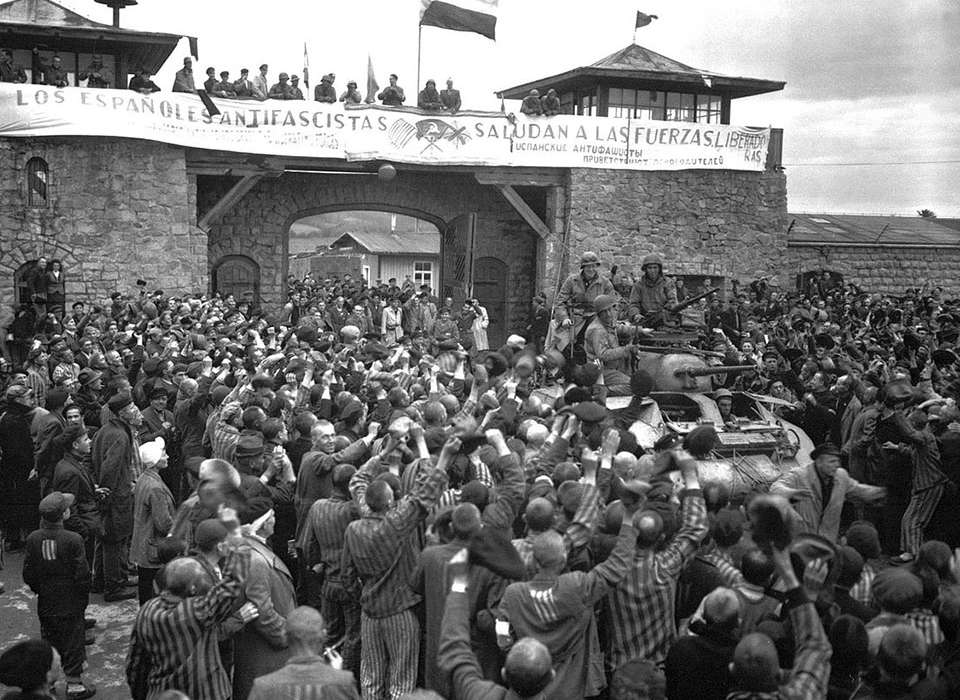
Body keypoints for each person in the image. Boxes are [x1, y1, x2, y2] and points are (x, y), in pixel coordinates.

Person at [340, 435, 451, 700]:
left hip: (369, 611)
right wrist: (444, 455)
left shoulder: (355, 527)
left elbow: (357, 481)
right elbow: (424, 495)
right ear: (391, 503)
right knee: (401, 682)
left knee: (370, 679)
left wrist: (383, 455)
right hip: (400, 611)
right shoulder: (397, 524)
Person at [126, 518, 252, 700]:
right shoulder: (195, 612)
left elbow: (135, 664)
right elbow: (232, 585)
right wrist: (240, 542)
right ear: (193, 590)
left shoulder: (147, 611)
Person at [606, 448, 708, 669]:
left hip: (618, 666)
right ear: (661, 537)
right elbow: (695, 528)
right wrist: (690, 478)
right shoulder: (665, 568)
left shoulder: (608, 568)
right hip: (658, 666)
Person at [439, 548, 556, 700]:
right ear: (552, 677)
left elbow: (456, 650)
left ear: (503, 674)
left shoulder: (480, 694)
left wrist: (459, 586)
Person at [726, 540, 832, 698]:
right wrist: (800, 588)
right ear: (779, 673)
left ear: (732, 669)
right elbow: (816, 647)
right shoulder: (800, 696)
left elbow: (815, 647)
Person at [22, 492, 95, 700]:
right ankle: (74, 684)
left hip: (46, 600)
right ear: (64, 514)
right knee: (73, 640)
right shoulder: (73, 539)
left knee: (49, 638)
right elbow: (82, 574)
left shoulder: (33, 538)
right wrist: (82, 596)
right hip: (71, 600)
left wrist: (40, 589)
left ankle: (49, 681)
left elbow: (28, 573)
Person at [300, 464, 361, 678]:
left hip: (327, 582)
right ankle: (345, 678)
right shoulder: (353, 510)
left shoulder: (317, 507)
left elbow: (308, 545)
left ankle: (325, 675)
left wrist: (317, 566)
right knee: (354, 636)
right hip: (351, 584)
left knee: (329, 634)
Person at [232, 507, 297, 700]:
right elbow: (262, 611)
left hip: (261, 653)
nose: (275, 520)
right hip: (266, 654)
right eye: (272, 516)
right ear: (263, 524)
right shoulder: (256, 561)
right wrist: (286, 635)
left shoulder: (252, 551)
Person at [770, 442, 886, 542]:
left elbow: (858, 490)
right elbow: (775, 488)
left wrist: (882, 492)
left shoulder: (841, 476)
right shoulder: (799, 475)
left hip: (827, 541)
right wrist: (791, 493)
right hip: (802, 540)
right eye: (832, 461)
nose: (836, 465)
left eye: (837, 461)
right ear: (819, 462)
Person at [91, 391, 142, 601]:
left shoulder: (106, 430)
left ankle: (103, 580)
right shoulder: (120, 436)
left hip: (111, 495)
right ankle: (114, 586)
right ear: (123, 413)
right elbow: (110, 470)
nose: (137, 411)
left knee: (106, 541)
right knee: (114, 541)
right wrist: (107, 496)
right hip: (115, 497)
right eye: (133, 409)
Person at [247, 606, 359, 700]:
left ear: (284, 637)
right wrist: (336, 675)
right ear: (324, 636)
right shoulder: (344, 682)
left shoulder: (263, 687)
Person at [131, 437, 175, 605]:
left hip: (143, 544)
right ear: (156, 461)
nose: (167, 456)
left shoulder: (144, 478)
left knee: (145, 589)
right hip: (153, 547)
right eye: (164, 454)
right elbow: (163, 524)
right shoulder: (155, 487)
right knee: (153, 594)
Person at [0, 384, 39, 552]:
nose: (32, 400)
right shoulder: (13, 420)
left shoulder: (12, 416)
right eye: (29, 397)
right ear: (18, 400)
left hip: (14, 469)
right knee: (19, 503)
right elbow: (17, 449)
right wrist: (30, 465)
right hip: (18, 471)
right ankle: (17, 539)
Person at [552, 251, 614, 355]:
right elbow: (560, 301)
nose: (591, 269)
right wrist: (564, 318)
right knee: (563, 343)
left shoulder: (605, 283)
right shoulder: (572, 280)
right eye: (587, 267)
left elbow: (613, 304)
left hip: (596, 317)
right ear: (582, 267)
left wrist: (611, 320)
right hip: (576, 318)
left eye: (593, 266)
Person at [584, 294, 638, 396]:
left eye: (610, 310)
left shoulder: (606, 322)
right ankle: (602, 391)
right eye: (604, 312)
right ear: (599, 314)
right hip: (600, 370)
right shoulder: (597, 330)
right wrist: (626, 349)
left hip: (612, 367)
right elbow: (603, 354)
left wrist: (638, 330)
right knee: (633, 387)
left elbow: (617, 328)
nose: (608, 314)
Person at [628, 254, 679, 328]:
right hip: (646, 320)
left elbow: (672, 301)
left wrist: (663, 312)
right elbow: (634, 304)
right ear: (645, 269)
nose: (652, 271)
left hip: (665, 320)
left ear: (659, 269)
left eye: (655, 268)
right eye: (650, 268)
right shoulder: (638, 285)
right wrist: (636, 315)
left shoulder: (667, 283)